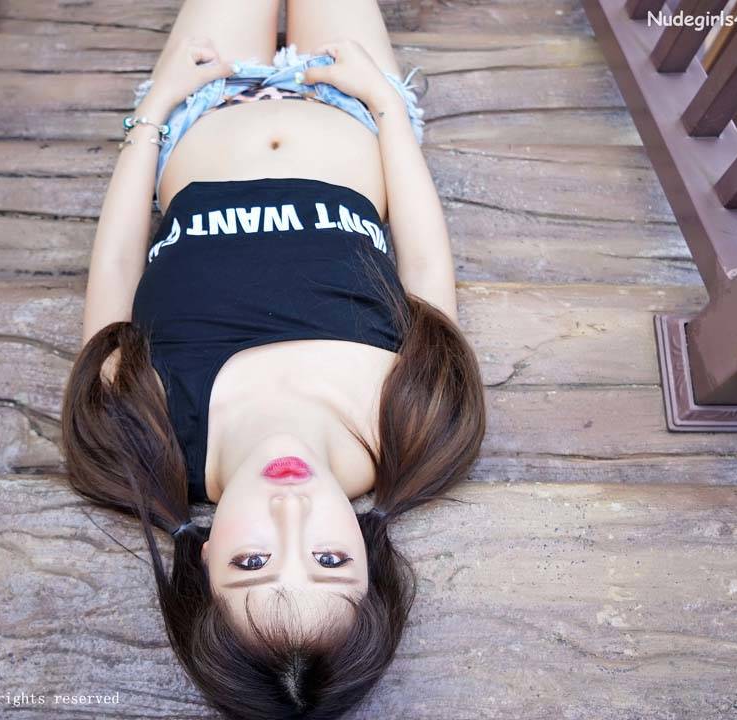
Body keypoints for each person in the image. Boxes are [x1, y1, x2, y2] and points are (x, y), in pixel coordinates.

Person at [61, 1, 487, 717]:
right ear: (367, 554)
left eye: (252, 562)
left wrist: (152, 118)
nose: (292, 512)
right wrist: (386, 107)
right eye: (330, 560)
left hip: (200, 112)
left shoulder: (143, 432)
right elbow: (423, 265)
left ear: (204, 561)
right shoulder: (409, 424)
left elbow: (117, 270)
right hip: (351, 113)